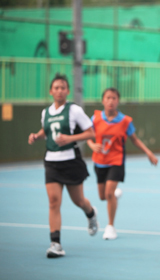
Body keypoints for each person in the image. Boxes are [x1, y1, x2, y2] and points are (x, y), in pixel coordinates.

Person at [28, 73, 99, 258]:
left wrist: (70, 138)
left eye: (63, 87)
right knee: (53, 202)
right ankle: (56, 243)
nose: (59, 90)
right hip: (51, 161)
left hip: (71, 161)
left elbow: (90, 134)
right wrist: (37, 135)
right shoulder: (46, 112)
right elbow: (48, 130)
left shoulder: (74, 111)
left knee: (79, 201)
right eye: (56, 87)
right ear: (51, 91)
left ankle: (90, 213)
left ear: (67, 91)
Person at [87, 87, 158, 240]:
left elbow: (135, 140)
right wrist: (91, 145)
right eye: (107, 98)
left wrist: (148, 152)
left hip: (116, 160)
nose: (110, 101)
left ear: (118, 101)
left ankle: (110, 227)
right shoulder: (96, 118)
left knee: (109, 193)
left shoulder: (125, 121)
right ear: (103, 101)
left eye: (114, 98)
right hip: (99, 161)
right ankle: (114, 196)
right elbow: (88, 134)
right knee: (102, 196)